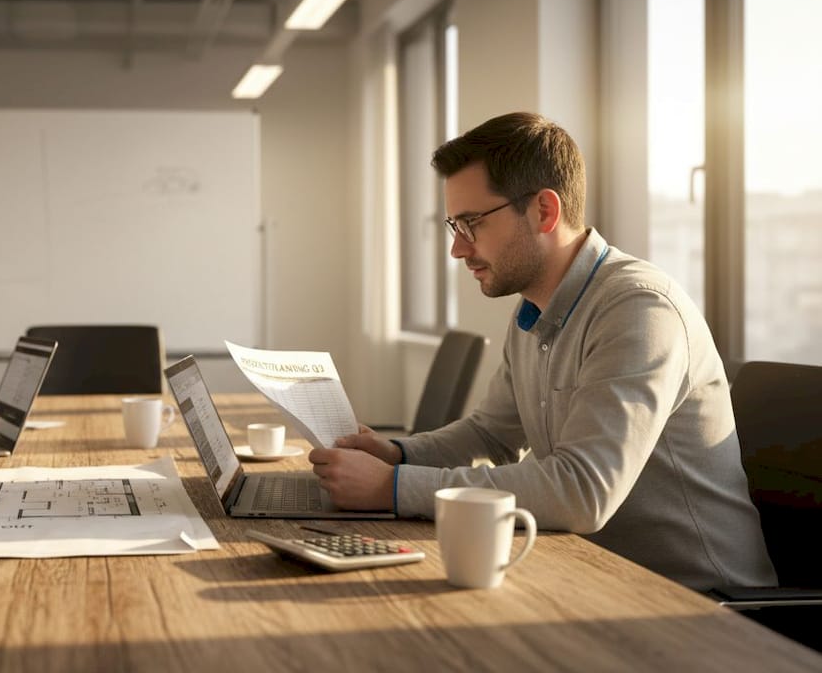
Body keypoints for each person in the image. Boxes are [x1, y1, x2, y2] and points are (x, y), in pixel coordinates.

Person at [309, 112, 776, 590]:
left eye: (471, 224)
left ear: (544, 212)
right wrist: (396, 455)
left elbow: (581, 491)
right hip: (595, 579)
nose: (457, 249)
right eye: (454, 225)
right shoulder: (534, 309)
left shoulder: (638, 309)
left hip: (701, 607)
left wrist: (391, 488)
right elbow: (491, 436)